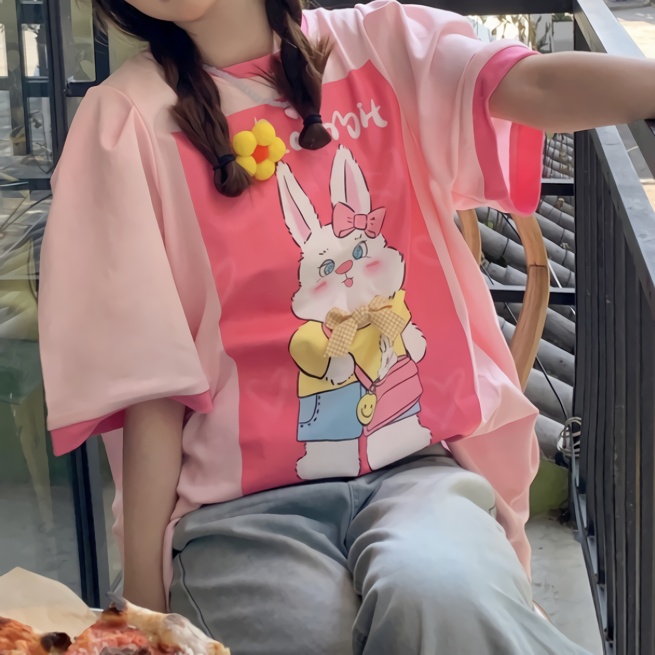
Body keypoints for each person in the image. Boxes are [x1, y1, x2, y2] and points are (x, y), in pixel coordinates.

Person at [38, 0, 654, 653]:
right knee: (309, 635)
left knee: (444, 594)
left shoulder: (384, 48)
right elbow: (151, 386)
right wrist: (143, 619)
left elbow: (534, 85)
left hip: (418, 471)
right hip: (236, 511)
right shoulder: (125, 121)